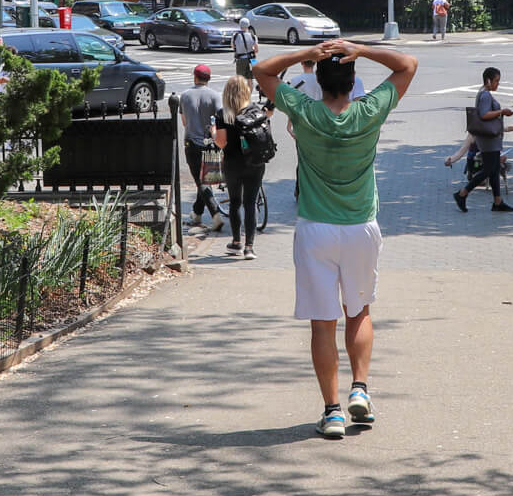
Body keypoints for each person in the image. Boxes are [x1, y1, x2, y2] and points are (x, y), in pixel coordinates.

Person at [254, 37, 417, 440]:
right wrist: (361, 48)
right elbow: (407, 64)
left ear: (320, 81)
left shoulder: (305, 111)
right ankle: (359, 388)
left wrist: (305, 55)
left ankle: (332, 413)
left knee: (322, 323)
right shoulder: (369, 111)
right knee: (358, 311)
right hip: (361, 226)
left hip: (316, 229)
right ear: (353, 80)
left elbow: (262, 70)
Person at [213, 74, 270, 258]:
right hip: (255, 163)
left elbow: (221, 142)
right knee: (250, 202)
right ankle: (249, 247)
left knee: (235, 202)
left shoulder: (223, 114)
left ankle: (236, 241)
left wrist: (212, 131)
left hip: (232, 163)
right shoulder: (255, 111)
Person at [454, 66, 513, 213]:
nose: (498, 84)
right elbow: (484, 115)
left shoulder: (483, 93)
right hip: (488, 139)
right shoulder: (485, 95)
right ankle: (462, 193)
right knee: (489, 169)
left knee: (494, 170)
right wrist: (502, 111)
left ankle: (497, 202)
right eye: (496, 81)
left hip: (489, 138)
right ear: (488, 80)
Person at [178, 64, 222, 232]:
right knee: (204, 179)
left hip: (191, 142)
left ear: (195, 77)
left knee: (201, 180)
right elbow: (219, 119)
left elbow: (184, 122)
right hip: (210, 143)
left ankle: (216, 215)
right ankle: (197, 214)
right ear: (208, 79)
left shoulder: (185, 95)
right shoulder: (215, 95)